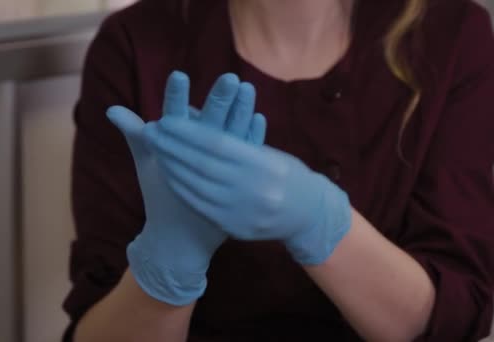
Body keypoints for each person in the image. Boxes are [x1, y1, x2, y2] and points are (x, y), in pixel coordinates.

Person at [63, 0, 494, 340]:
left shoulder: (451, 36)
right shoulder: (136, 45)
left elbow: (451, 321)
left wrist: (320, 222)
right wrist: (166, 270)